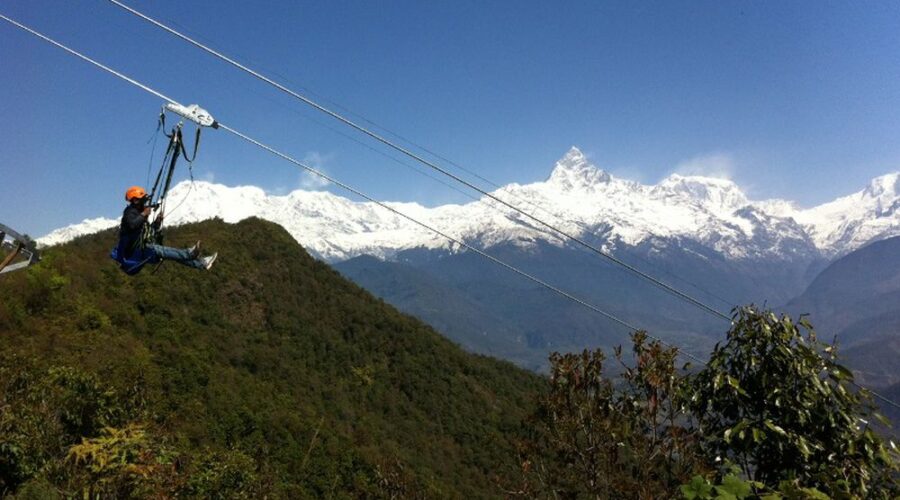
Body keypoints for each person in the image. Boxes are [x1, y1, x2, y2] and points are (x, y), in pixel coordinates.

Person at [111, 186, 216, 275]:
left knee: (170, 254)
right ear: (136, 200)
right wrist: (144, 214)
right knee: (162, 250)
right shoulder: (130, 212)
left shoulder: (138, 213)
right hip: (135, 252)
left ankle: (202, 264)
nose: (145, 203)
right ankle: (189, 254)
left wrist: (157, 222)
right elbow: (132, 225)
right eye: (143, 200)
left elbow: (146, 231)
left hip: (141, 249)